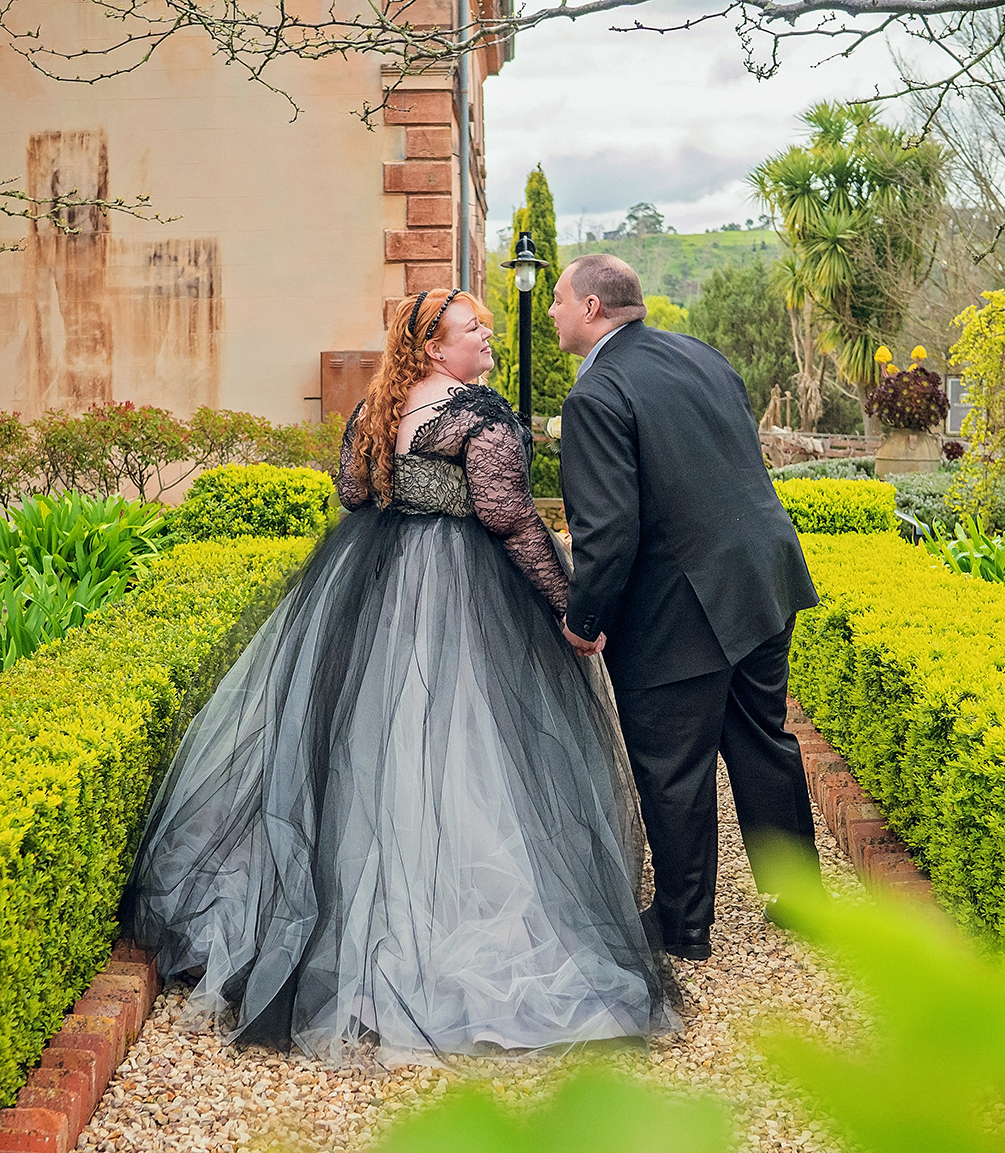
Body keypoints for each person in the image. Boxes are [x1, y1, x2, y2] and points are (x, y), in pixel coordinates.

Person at [126, 287, 676, 1063]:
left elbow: (354, 493)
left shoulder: (373, 412)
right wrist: (568, 604)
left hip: (373, 588)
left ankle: (369, 904)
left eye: (486, 325)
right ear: (431, 348)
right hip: (465, 592)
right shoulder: (480, 415)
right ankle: (460, 911)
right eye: (470, 329)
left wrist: (410, 490)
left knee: (378, 739)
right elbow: (510, 517)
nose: (487, 336)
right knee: (470, 743)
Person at [549, 255, 821, 962]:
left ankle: (682, 923)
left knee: (674, 763)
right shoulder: (701, 355)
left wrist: (583, 619)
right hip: (762, 576)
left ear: (589, 308)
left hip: (682, 604)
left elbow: (609, 532)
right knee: (763, 737)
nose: (549, 313)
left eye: (556, 300)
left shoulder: (596, 394)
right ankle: (803, 899)